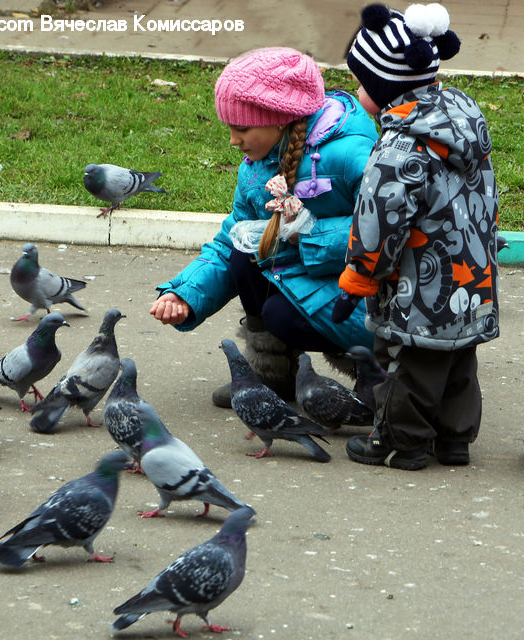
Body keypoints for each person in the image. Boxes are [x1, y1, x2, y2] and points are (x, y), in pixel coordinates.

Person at [149, 47, 379, 406]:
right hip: (307, 274)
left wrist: (306, 232)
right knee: (244, 253)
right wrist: (185, 293)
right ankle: (273, 376)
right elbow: (230, 240)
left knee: (279, 314)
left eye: (241, 128)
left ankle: (376, 371)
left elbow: (385, 230)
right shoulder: (255, 166)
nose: (232, 140)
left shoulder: (351, 155)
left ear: (279, 118)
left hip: (365, 290)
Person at [332, 3, 500, 469]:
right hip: (471, 270)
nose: (358, 92)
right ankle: (455, 439)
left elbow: (378, 220)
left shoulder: (399, 145)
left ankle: (401, 444)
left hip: (420, 280)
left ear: (385, 86)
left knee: (411, 361)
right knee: (459, 356)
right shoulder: (464, 119)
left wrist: (361, 276)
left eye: (362, 83)